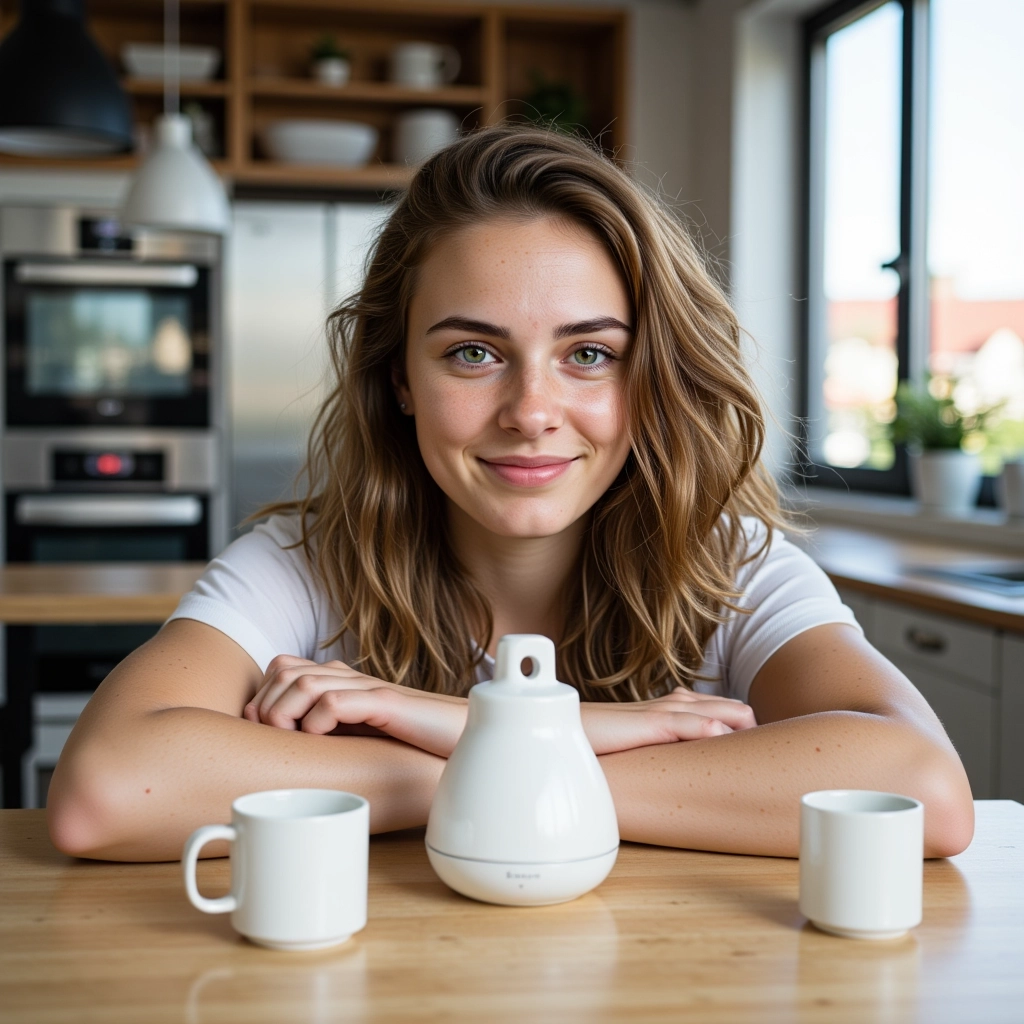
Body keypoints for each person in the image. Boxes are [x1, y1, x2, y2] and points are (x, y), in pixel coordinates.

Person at [47, 125, 974, 862]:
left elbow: (924, 792)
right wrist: (579, 743)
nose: (532, 412)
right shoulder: (301, 565)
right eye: (473, 353)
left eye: (590, 354)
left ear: (650, 376)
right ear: (399, 377)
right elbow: (107, 792)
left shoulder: (733, 565)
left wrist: (475, 735)